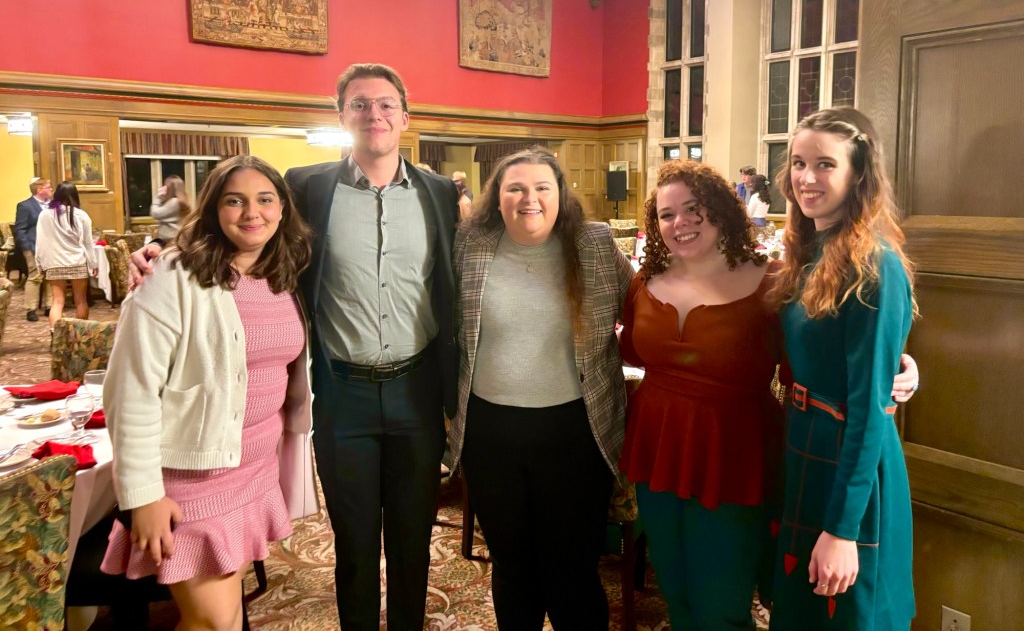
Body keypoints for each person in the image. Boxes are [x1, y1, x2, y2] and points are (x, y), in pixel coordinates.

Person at [130, 63, 458, 630]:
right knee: (354, 543)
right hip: (342, 396)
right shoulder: (307, 187)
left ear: (405, 117)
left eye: (384, 104)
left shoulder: (438, 194)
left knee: (413, 539)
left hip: (417, 391)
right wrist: (161, 256)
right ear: (341, 117)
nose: (372, 114)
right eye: (359, 104)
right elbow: (242, 231)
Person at [618, 159, 921, 630]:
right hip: (658, 449)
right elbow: (627, 352)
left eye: (694, 209)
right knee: (675, 593)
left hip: (735, 454)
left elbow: (825, 350)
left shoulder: (773, 281)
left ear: (721, 210)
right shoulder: (642, 284)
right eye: (667, 214)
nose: (681, 223)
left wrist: (902, 367)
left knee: (721, 603)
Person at [102, 155, 316, 631]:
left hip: (256, 468)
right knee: (214, 621)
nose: (250, 213)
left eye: (264, 200)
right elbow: (130, 391)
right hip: (190, 477)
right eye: (234, 201)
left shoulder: (280, 275)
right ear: (213, 209)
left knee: (225, 612)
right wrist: (142, 495)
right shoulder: (174, 275)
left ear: (282, 209)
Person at [448, 146, 634, 629]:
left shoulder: (593, 244)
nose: (529, 198)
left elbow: (643, 307)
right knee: (512, 567)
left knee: (571, 569)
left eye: (541, 188)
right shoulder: (470, 244)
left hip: (575, 432)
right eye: (516, 188)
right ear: (497, 197)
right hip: (491, 435)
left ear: (560, 195)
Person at [768, 108, 916, 629]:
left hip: (853, 466)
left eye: (825, 164)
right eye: (799, 163)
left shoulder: (876, 265)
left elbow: (872, 408)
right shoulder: (806, 250)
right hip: (803, 445)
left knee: (850, 617)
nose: (807, 179)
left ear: (858, 175)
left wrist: (842, 529)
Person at [34, 181, 98, 330]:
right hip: (77, 261)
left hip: (54, 262)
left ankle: (55, 334)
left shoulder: (45, 215)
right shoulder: (81, 215)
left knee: (57, 301)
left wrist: (39, 263)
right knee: (81, 301)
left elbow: (41, 241)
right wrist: (93, 264)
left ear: (56, 195)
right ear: (75, 196)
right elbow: (88, 243)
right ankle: (79, 333)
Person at [13, 177, 53, 321]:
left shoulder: (53, 205)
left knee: (50, 277)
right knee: (35, 277)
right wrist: (26, 248)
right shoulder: (25, 206)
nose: (51, 189)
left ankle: (50, 306)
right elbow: (20, 229)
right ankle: (31, 308)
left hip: (51, 247)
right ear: (39, 190)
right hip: (33, 246)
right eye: (48, 187)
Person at [149, 174, 191, 241]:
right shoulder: (182, 201)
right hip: (176, 237)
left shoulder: (174, 202)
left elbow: (155, 213)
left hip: (169, 239)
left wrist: (159, 197)